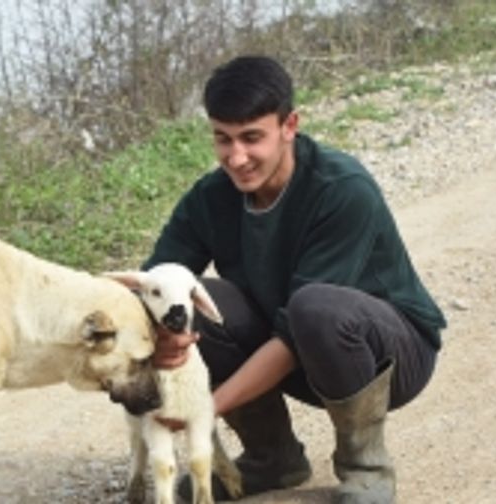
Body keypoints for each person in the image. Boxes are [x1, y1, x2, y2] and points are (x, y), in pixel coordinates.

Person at [142, 55, 445, 504]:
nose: (236, 157)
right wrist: (163, 337)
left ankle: (367, 472)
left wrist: (208, 408)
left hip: (388, 356)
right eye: (222, 139)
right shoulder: (210, 198)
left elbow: (295, 331)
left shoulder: (342, 188)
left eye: (251, 138)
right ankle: (272, 460)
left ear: (289, 126)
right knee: (193, 303)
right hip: (299, 348)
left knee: (316, 308)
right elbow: (151, 283)